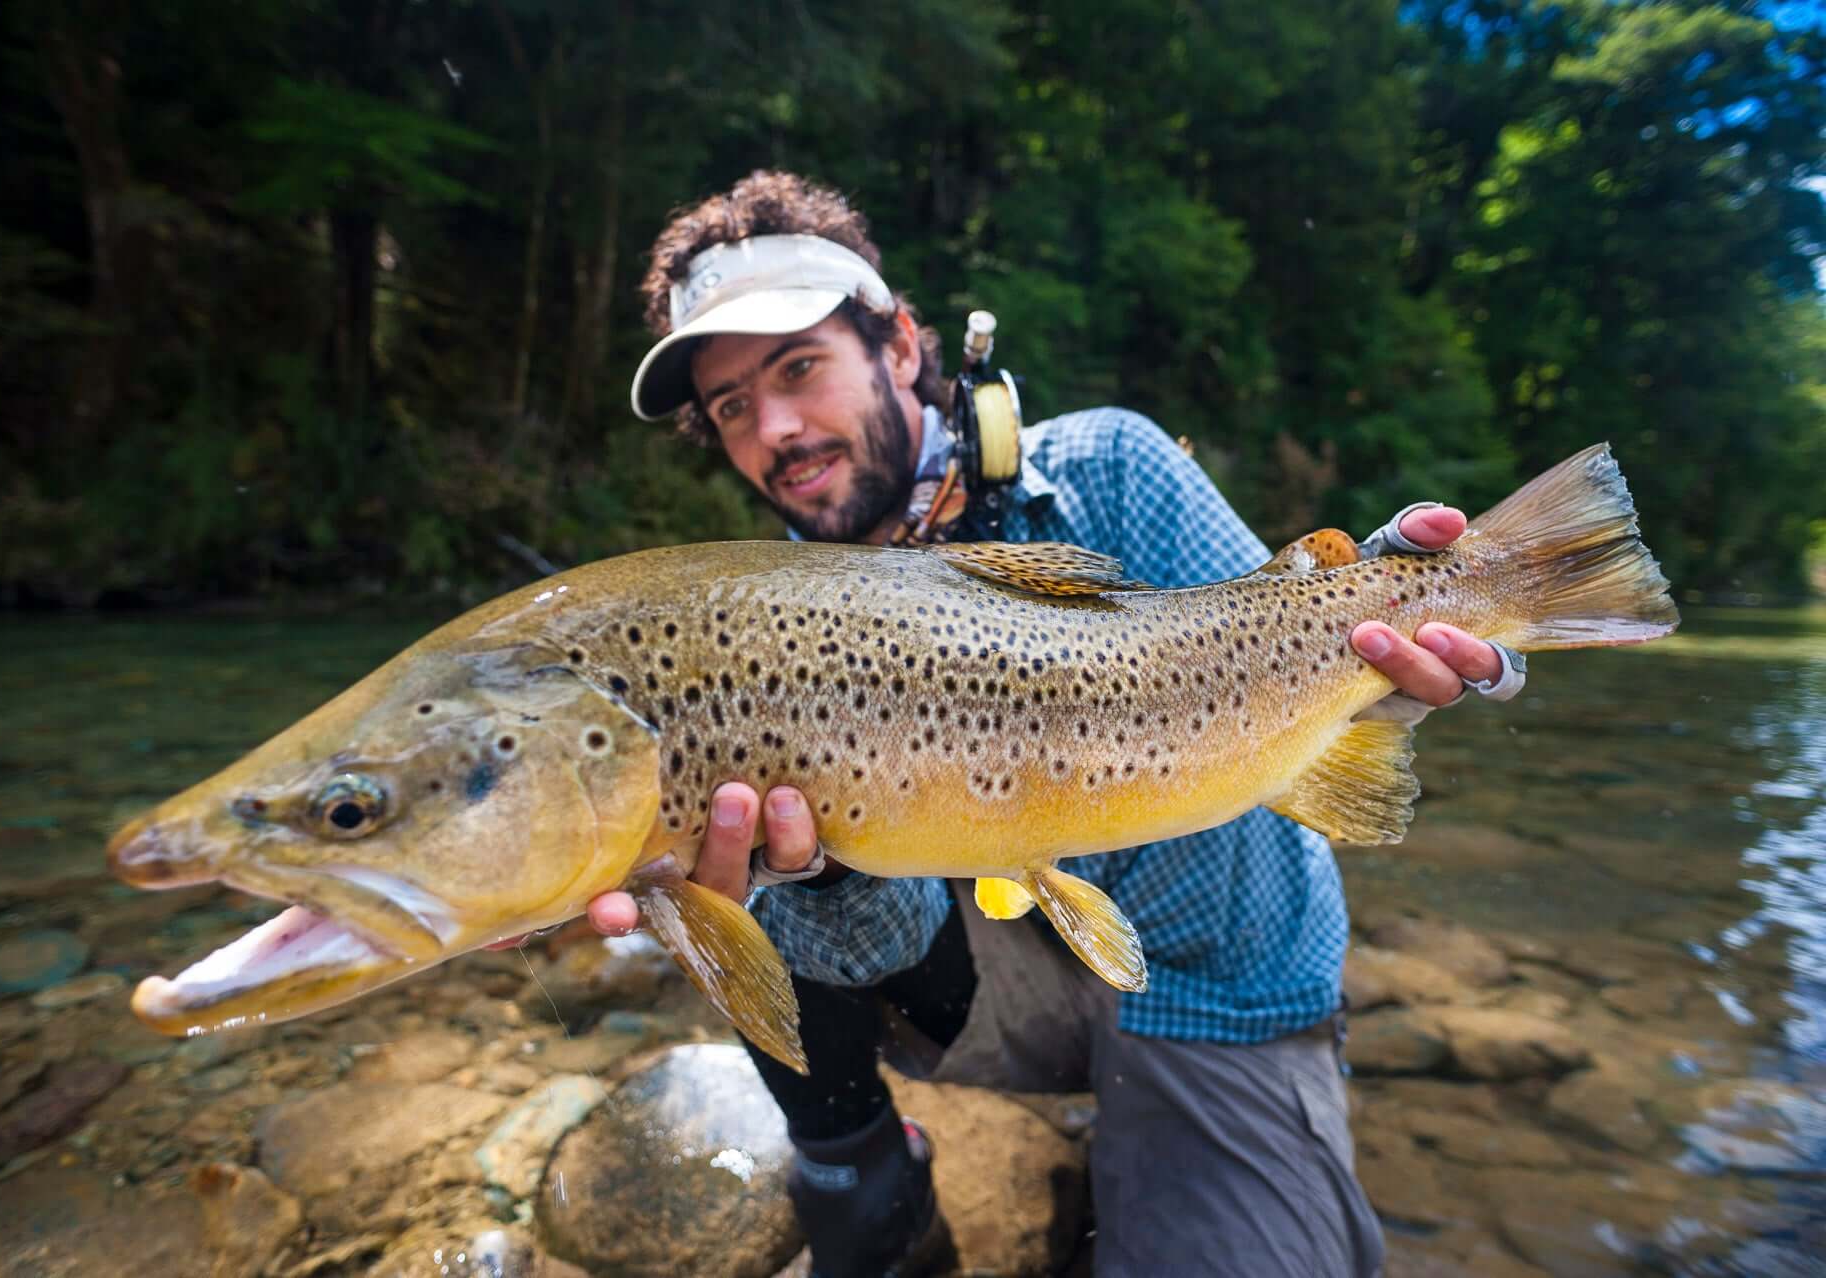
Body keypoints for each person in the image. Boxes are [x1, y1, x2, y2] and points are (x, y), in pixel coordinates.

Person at [597, 171, 1519, 1278]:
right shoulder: (764, 618)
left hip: (1217, 986)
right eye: (734, 406)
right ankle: (866, 1187)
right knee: (706, 891)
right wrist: (806, 875)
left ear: (896, 348)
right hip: (1004, 990)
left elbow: (1283, 624)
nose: (777, 429)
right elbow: (876, 953)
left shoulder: (1116, 471)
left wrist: (1427, 605)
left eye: (798, 369)